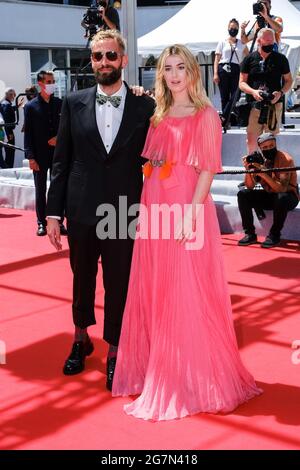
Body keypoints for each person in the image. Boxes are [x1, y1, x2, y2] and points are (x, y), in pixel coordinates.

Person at [112, 44, 262, 421]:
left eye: (181, 67)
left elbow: (208, 170)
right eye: (168, 68)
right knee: (158, 289)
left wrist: (189, 215)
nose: (174, 74)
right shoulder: (159, 114)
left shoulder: (205, 114)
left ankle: (193, 377)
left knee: (187, 291)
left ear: (193, 72)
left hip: (185, 211)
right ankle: (163, 368)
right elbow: (153, 160)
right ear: (161, 74)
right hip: (155, 207)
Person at [46, 30, 155, 391]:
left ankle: (115, 350)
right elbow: (60, 162)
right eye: (97, 57)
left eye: (111, 56)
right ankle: (80, 338)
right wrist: (51, 213)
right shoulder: (72, 101)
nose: (104, 62)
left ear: (124, 60)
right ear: (91, 61)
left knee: (119, 284)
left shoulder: (145, 105)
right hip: (80, 207)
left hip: (124, 209)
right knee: (81, 280)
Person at [237, 133, 299, 248]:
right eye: (265, 147)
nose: (268, 149)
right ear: (260, 148)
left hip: (289, 197)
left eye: (271, 146)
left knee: (281, 197)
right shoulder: (259, 160)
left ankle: (274, 235)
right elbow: (249, 186)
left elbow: (282, 189)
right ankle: (250, 234)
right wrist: (248, 169)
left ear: (275, 144)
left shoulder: (285, 159)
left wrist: (263, 174)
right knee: (243, 194)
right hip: (270, 195)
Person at [24, 71, 66, 236]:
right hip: (39, 156)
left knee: (58, 189)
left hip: (58, 154)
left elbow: (66, 127)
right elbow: (28, 133)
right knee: (40, 189)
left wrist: (59, 137)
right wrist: (30, 157)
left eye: (53, 81)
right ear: (41, 84)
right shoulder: (30, 106)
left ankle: (59, 222)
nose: (52, 83)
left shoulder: (60, 103)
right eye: (49, 81)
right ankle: (41, 222)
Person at [239, 28, 292, 153]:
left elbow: (289, 80)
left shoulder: (281, 59)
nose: (270, 43)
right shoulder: (249, 59)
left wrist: (281, 93)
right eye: (267, 40)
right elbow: (241, 83)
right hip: (254, 106)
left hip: (273, 106)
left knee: (270, 142)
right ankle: (253, 169)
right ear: (258, 40)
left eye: (272, 41)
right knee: (251, 141)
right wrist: (253, 91)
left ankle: (271, 170)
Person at [214, 18, 248, 126]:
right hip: (223, 68)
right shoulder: (222, 42)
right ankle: (226, 121)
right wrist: (215, 73)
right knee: (224, 97)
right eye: (231, 28)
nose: (233, 29)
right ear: (228, 28)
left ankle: (223, 117)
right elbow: (216, 59)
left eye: (235, 28)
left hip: (236, 69)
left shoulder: (241, 43)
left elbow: (248, 56)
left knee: (236, 95)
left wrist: (244, 67)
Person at [0, 88, 20, 168]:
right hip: (8, 132)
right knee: (10, 151)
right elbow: (7, 119)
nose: (14, 97)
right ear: (9, 95)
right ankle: (8, 168)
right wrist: (10, 132)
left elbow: (7, 111)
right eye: (13, 95)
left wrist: (16, 107)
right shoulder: (7, 104)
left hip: (6, 131)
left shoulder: (4, 103)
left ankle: (6, 167)